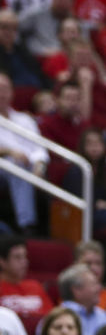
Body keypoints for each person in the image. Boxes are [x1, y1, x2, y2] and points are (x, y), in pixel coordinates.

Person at [0, 72, 46, 233]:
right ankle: (26, 226)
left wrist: (40, 165)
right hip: (5, 167)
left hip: (29, 166)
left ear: (12, 92)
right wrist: (9, 151)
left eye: (5, 89)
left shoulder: (24, 119)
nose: (2, 94)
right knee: (17, 167)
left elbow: (39, 147)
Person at [0, 235, 53, 317]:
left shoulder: (35, 286)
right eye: (17, 257)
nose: (24, 262)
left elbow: (51, 317)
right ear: (2, 261)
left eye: (25, 256)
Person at [57, 263, 106, 335]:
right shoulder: (56, 318)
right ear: (77, 290)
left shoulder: (102, 315)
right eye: (94, 284)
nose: (100, 288)